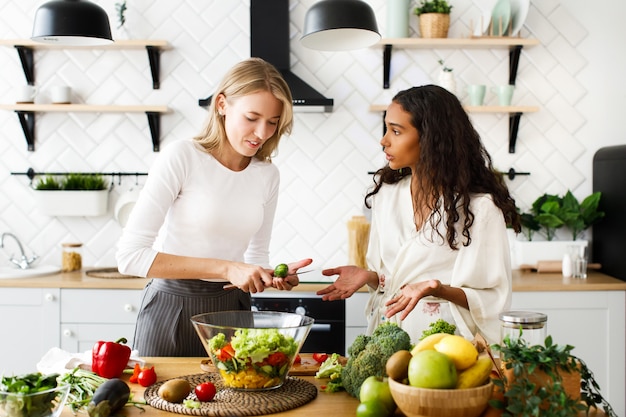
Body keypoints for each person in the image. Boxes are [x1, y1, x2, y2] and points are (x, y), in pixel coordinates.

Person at [116, 57, 312, 357]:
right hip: (172, 308)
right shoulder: (182, 157)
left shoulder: (267, 174)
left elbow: (255, 257)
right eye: (252, 117)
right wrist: (227, 268)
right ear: (222, 104)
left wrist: (270, 276)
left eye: (273, 122)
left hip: (232, 311)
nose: (262, 133)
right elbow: (130, 257)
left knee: (234, 403)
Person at [317, 85, 521, 345]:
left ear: (431, 138)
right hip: (389, 337)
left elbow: (494, 297)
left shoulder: (478, 209)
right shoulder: (386, 196)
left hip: (447, 346)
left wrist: (437, 289)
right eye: (386, 128)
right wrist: (368, 276)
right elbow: (391, 278)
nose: (384, 140)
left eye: (396, 131)